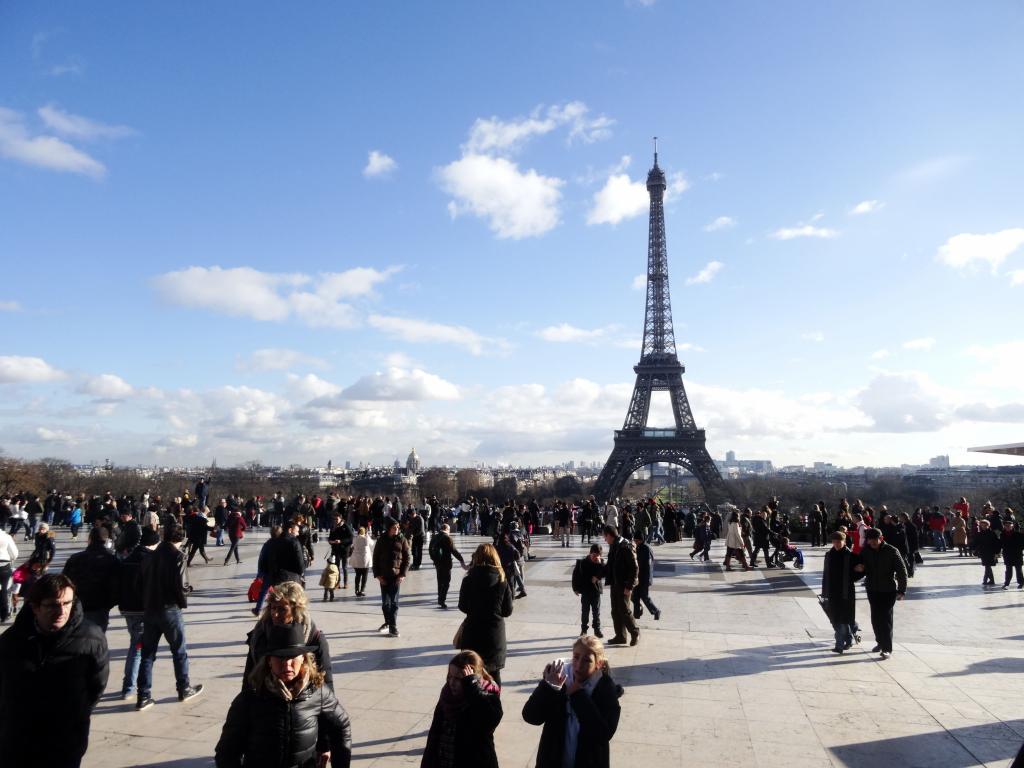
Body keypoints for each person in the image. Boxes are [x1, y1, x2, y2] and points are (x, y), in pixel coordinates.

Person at [0, 573, 109, 768]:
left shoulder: (92, 638)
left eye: (67, 603)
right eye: (53, 605)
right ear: (35, 607)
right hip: (18, 739)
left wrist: (76, 714)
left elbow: (96, 686)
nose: (61, 611)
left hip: (65, 739)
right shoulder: (11, 640)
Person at [216, 622, 352, 768]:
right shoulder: (250, 698)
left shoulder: (317, 692)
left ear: (303, 659)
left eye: (293, 657)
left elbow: (341, 726)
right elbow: (227, 752)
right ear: (269, 660)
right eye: (280, 657)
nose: (287, 665)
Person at [522, 636, 623, 768]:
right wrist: (549, 687)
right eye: (576, 657)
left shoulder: (605, 688)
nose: (579, 665)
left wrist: (578, 695)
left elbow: (603, 734)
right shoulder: (558, 676)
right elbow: (531, 716)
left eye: (587, 660)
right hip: (552, 760)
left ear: (599, 664)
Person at [136, 524, 203, 710]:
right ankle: (183, 687)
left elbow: (139, 582)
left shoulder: (150, 556)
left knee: (147, 655)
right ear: (180, 539)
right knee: (179, 651)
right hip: (169, 608)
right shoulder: (178, 556)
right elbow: (181, 585)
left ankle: (143, 695)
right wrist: (185, 595)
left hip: (150, 608)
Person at [420, 650, 502, 768]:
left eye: (458, 678)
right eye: (450, 676)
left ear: (475, 678)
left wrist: (472, 688)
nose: (452, 682)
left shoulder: (486, 696)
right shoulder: (447, 695)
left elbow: (490, 721)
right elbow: (434, 735)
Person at [244, 581, 333, 690]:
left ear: (297, 610)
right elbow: (249, 677)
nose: (275, 614)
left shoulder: (314, 638)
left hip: (304, 701)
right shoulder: (259, 634)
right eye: (273, 608)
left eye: (282, 609)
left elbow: (326, 681)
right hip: (264, 700)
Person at [458, 543, 514, 685]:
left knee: (471, 674)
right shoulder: (502, 581)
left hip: (473, 633)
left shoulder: (468, 580)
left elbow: (462, 606)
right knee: (494, 674)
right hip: (494, 635)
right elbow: (507, 611)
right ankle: (494, 704)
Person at [117, 527, 160, 698]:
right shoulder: (150, 560)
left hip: (128, 608)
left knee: (136, 645)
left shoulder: (128, 559)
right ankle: (129, 686)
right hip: (143, 609)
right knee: (138, 648)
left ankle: (131, 683)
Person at [855, 528, 908, 660]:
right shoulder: (866, 550)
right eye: (869, 539)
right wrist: (859, 569)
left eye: (874, 539)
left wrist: (902, 590)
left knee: (885, 619)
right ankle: (880, 641)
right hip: (872, 589)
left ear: (881, 538)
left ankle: (887, 648)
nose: (872, 542)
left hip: (888, 590)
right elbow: (860, 568)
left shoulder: (891, 551)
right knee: (875, 618)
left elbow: (902, 572)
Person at [62, 526, 120, 631]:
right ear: (106, 540)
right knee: (96, 640)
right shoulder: (112, 561)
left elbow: (63, 582)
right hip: (100, 607)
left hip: (76, 606)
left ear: (90, 539)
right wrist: (108, 604)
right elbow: (117, 587)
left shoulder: (75, 558)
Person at [821, 531, 862, 654]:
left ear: (844, 542)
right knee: (836, 618)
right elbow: (825, 575)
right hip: (832, 592)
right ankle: (849, 639)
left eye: (839, 542)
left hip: (846, 592)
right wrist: (824, 593)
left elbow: (861, 571)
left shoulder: (850, 556)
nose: (836, 544)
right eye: (834, 542)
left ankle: (839, 646)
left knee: (842, 620)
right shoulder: (829, 555)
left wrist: (856, 573)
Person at [372, 517, 410, 637]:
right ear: (389, 528)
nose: (397, 529)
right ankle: (388, 622)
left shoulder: (402, 539)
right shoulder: (382, 539)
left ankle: (393, 626)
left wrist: (402, 574)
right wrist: (378, 575)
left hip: (396, 576)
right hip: (384, 576)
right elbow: (375, 558)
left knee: (394, 603)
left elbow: (408, 558)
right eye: (394, 527)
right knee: (385, 604)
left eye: (398, 527)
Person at [602, 525, 639, 647]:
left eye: (605, 536)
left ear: (610, 535)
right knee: (615, 611)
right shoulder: (614, 545)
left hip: (624, 584)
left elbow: (634, 568)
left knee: (624, 610)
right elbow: (611, 565)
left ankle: (635, 632)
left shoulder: (625, 545)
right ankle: (620, 636)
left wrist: (629, 586)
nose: (604, 539)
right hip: (615, 582)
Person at [429, 523, 467, 609]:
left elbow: (430, 550)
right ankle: (442, 600)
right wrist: (461, 560)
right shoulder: (447, 538)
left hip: (437, 563)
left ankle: (440, 597)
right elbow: (454, 551)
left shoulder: (434, 537)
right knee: (446, 582)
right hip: (446, 563)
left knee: (440, 580)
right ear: (447, 529)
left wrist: (434, 559)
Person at [572, 543, 605, 638]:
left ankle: (597, 630)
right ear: (590, 553)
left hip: (596, 592)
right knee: (585, 611)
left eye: (598, 556)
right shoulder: (582, 562)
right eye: (594, 555)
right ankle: (584, 629)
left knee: (596, 612)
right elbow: (575, 576)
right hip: (585, 591)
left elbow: (605, 573)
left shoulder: (601, 563)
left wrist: (600, 566)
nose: (595, 558)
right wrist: (575, 589)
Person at [631, 532, 661, 621]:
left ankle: (656, 611)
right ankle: (636, 615)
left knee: (644, 596)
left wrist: (646, 579)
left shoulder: (646, 549)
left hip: (644, 578)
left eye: (635, 540)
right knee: (635, 596)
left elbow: (647, 565)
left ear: (639, 540)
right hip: (638, 577)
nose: (634, 542)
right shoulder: (639, 547)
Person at [327, 512, 354, 590]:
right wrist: (331, 541)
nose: (335, 520)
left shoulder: (346, 526)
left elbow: (350, 539)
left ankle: (345, 583)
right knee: (336, 567)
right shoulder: (333, 527)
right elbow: (330, 537)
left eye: (337, 519)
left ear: (340, 519)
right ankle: (337, 583)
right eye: (334, 519)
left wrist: (341, 541)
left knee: (344, 567)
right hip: (336, 550)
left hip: (345, 550)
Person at [975, 519, 1001, 587]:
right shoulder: (980, 533)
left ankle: (985, 580)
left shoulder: (992, 533)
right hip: (983, 552)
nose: (983, 526)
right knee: (987, 566)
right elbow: (977, 543)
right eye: (982, 525)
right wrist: (975, 550)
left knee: (987, 566)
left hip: (991, 552)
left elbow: (997, 543)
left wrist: (997, 552)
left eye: (985, 525)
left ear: (988, 525)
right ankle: (991, 580)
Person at [0, 525, 17, 624]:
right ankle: (4, 614)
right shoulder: (6, 537)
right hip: (4, 566)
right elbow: (14, 554)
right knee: (4, 590)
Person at [1000, 520, 1024, 589]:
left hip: (1017, 554)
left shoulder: (1018, 534)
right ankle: (1007, 583)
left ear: (1012, 526)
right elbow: (1000, 544)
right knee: (1008, 570)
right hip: (1007, 555)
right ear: (1004, 526)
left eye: (1009, 526)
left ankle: (1021, 583)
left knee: (1018, 570)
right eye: (1006, 526)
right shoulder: (1002, 534)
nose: (1007, 527)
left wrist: (1019, 549)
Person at [350, 526, 374, 597]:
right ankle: (362, 590)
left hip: (357, 560)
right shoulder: (366, 538)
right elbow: (372, 543)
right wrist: (367, 535)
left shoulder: (355, 538)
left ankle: (356, 590)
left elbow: (352, 546)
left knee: (357, 575)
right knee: (364, 576)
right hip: (365, 561)